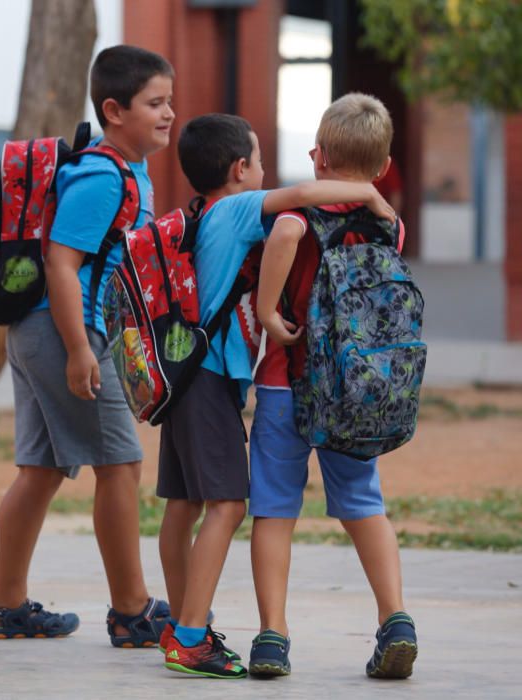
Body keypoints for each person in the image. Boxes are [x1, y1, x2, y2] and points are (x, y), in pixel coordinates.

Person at [157, 113, 395, 678]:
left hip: (190, 379)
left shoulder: (201, 213)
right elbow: (301, 203)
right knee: (229, 506)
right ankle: (190, 635)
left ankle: (187, 621)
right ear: (240, 170)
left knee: (185, 505)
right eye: (261, 162)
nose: (266, 173)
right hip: (218, 383)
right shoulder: (240, 209)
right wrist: (369, 191)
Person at [0, 45, 172, 647]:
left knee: (39, 470)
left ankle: (5, 606)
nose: (169, 114)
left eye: (170, 101)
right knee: (121, 466)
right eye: (155, 103)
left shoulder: (125, 169)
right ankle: (131, 610)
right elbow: (62, 266)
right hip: (68, 333)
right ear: (114, 110)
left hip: (42, 333)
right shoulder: (101, 175)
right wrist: (81, 349)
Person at [248, 93, 417, 680]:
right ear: (385, 165)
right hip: (358, 389)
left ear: (317, 156)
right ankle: (395, 619)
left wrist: (269, 311)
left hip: (285, 381)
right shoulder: (388, 225)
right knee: (364, 505)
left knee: (274, 509)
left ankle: (272, 636)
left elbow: (284, 235)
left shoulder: (297, 218)